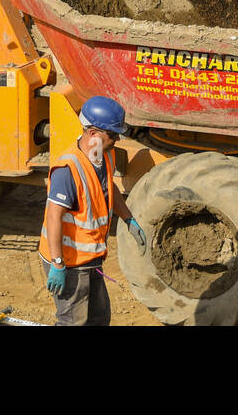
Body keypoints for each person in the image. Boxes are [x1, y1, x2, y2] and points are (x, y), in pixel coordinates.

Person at [39, 95, 147, 326]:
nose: (117, 139)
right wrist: (58, 263)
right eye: (113, 134)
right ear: (94, 133)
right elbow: (53, 215)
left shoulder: (104, 155)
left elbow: (110, 188)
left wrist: (129, 219)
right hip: (69, 263)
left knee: (99, 318)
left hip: (91, 258)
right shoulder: (67, 169)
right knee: (73, 321)